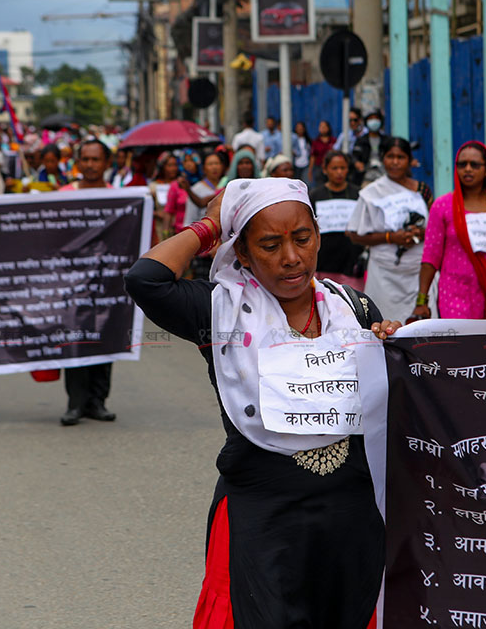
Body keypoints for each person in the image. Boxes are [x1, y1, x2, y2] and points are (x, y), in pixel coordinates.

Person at [124, 178, 401, 629]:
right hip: (263, 518)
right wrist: (212, 223)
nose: (291, 258)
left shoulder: (353, 308)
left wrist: (391, 347)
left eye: (303, 238)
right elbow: (145, 279)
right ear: (244, 253)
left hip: (350, 520)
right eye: (270, 245)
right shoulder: (218, 313)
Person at [413, 141, 486, 321]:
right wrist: (422, 300)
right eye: (462, 164)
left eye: (474, 165)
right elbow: (430, 257)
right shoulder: (443, 206)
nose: (467, 169)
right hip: (454, 294)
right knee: (461, 346)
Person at [57, 138, 120, 426]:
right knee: (75, 340)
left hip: (107, 283)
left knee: (105, 339)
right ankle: (75, 402)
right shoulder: (64, 194)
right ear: (77, 163)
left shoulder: (120, 198)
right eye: (86, 159)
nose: (91, 165)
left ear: (107, 163)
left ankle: (97, 401)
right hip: (71, 283)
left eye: (96, 160)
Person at [347, 137, 433, 321]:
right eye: (390, 156)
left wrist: (420, 233)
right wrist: (390, 237)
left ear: (409, 160)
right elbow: (353, 234)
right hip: (384, 275)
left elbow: (435, 229)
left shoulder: (422, 191)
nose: (395, 162)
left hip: (418, 273)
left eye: (400, 157)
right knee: (383, 326)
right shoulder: (371, 193)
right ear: (383, 159)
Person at [309, 150, 365, 290]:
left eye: (343, 168)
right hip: (324, 262)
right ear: (325, 169)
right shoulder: (315, 195)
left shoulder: (358, 194)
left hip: (351, 263)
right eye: (334, 168)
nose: (339, 172)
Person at [180, 150, 226, 280]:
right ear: (204, 168)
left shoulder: (229, 185)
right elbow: (189, 221)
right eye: (210, 164)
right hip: (205, 252)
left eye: (217, 163)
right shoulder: (196, 190)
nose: (214, 167)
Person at [148, 152, 183, 243]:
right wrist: (157, 213)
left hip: (179, 228)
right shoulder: (154, 186)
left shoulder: (182, 184)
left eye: (175, 165)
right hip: (160, 228)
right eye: (169, 165)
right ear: (162, 167)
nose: (173, 169)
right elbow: (146, 208)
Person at [351, 110, 388, 185]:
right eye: (371, 119)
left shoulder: (386, 140)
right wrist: (357, 163)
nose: (374, 121)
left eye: (376, 119)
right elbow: (354, 156)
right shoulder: (361, 141)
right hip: (366, 177)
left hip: (384, 176)